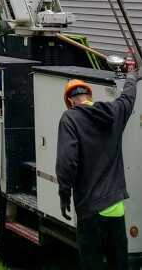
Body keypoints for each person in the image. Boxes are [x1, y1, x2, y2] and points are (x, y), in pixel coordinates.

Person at [56, 67, 142, 270]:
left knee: (92, 265)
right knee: (118, 264)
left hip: (89, 211)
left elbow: (67, 161)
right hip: (115, 208)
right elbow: (128, 98)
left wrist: (63, 194)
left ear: (70, 102)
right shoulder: (113, 112)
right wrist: (132, 77)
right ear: (89, 96)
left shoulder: (70, 119)